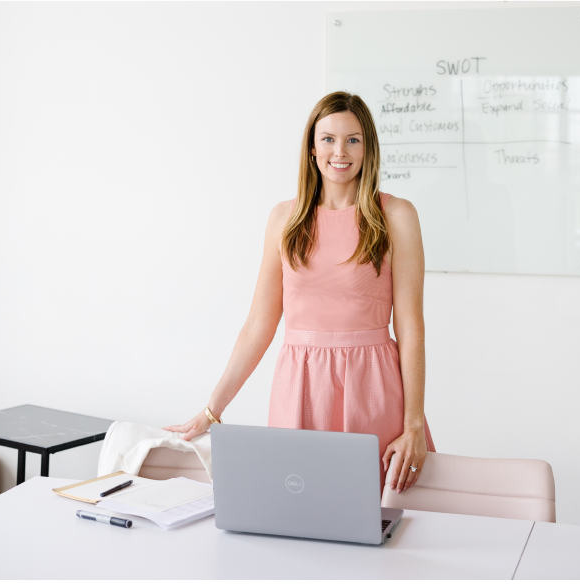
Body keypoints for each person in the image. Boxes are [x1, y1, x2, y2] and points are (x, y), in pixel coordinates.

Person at [164, 91, 435, 494]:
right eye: (328, 138)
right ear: (312, 147)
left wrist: (414, 423)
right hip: (300, 386)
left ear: (368, 148)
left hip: (372, 388)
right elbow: (259, 324)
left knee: (377, 522)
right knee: (297, 512)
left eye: (353, 139)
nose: (339, 151)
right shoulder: (284, 219)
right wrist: (212, 410)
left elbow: (410, 327)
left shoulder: (396, 215)